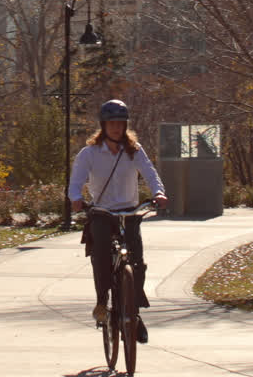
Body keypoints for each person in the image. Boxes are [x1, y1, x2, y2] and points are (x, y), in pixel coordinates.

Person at [69, 99, 168, 344]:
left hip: (129, 213)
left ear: (125, 125)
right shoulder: (89, 153)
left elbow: (150, 174)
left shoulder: (134, 150)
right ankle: (103, 302)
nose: (116, 127)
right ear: (103, 125)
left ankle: (133, 315)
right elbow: (75, 181)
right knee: (101, 257)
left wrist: (158, 193)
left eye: (120, 123)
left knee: (137, 263)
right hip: (102, 214)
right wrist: (76, 198)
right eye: (111, 123)